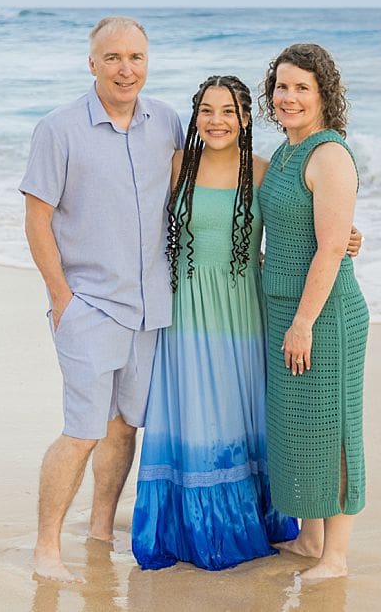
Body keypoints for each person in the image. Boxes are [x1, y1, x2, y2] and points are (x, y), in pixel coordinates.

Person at [19, 16, 184, 582]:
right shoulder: (58, 129)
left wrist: (310, 202)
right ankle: (47, 548)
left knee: (123, 427)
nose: (125, 69)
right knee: (84, 429)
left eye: (136, 58)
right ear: (92, 63)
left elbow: (215, 176)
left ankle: (98, 528)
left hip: (151, 307)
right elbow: (37, 219)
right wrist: (61, 297)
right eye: (113, 58)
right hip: (89, 304)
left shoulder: (166, 121)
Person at [130, 76, 299, 570]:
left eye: (228, 111)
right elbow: (130, 213)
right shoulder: (178, 164)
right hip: (183, 311)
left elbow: (301, 224)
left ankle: (242, 522)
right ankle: (190, 527)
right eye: (207, 110)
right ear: (195, 116)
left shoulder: (265, 173)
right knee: (192, 412)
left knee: (233, 410)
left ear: (246, 119)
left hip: (242, 311)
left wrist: (347, 234)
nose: (217, 121)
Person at [257, 43, 368, 580]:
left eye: (302, 87)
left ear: (324, 95)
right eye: (282, 86)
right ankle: (308, 538)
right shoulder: (284, 153)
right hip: (284, 305)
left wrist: (303, 323)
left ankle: (337, 557)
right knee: (299, 427)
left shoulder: (329, 154)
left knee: (335, 426)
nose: (289, 97)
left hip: (323, 315)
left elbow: (328, 248)